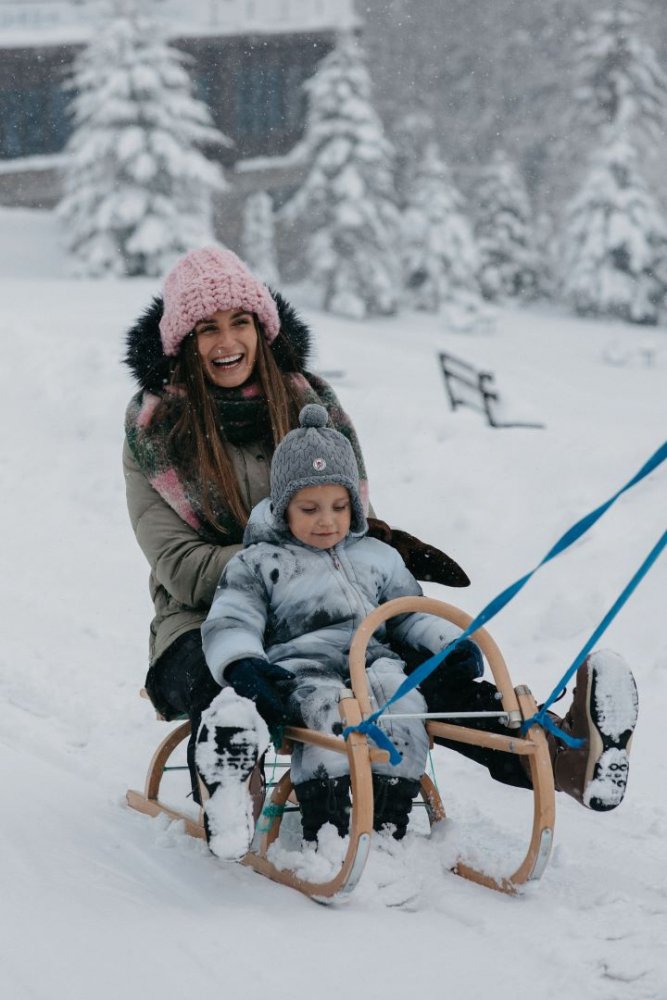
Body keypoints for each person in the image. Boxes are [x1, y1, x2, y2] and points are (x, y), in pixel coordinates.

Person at [123, 246, 638, 859]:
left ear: (262, 329)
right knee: (230, 687)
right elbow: (177, 564)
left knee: (414, 678)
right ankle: (231, 787)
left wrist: (381, 544)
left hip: (333, 614)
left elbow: (335, 510)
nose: (227, 341)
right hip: (205, 619)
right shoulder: (155, 428)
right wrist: (284, 562)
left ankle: (564, 754)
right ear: (185, 341)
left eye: (240, 323)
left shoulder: (309, 401)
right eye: (208, 328)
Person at [198, 403, 475, 857]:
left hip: (375, 665)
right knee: (332, 714)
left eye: (339, 507)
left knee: (405, 705)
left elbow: (407, 612)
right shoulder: (260, 562)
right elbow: (232, 617)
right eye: (309, 508)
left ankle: (390, 814)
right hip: (303, 671)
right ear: (284, 507)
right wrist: (245, 663)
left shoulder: (378, 557)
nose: (326, 520)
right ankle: (326, 820)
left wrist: (449, 644)